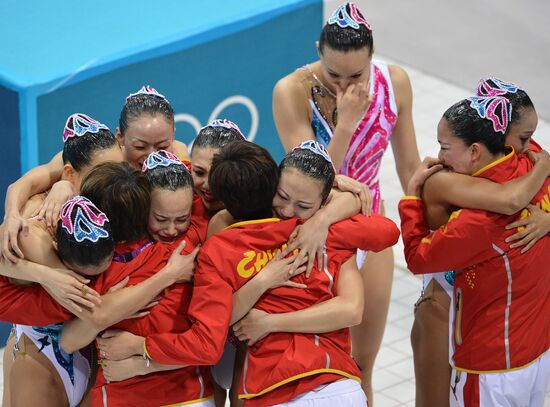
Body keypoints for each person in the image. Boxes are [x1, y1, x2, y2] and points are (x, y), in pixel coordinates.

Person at [94, 141, 399, 406]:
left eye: (303, 205)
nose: (290, 210)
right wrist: (327, 213)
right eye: (283, 197)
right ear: (270, 187)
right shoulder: (317, 229)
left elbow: (208, 341)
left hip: (273, 387)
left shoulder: (221, 246)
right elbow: (387, 231)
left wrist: (140, 354)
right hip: (334, 383)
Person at [272, 3, 420, 401]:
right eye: (333, 74)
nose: (343, 85)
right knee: (322, 369)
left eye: (356, 75)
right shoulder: (292, 91)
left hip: (370, 234)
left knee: (362, 367)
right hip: (317, 240)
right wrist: (347, 124)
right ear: (318, 49)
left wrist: (431, 228)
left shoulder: (395, 83)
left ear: (372, 58)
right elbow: (310, 183)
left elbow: (409, 168)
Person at [0, 161, 194, 407]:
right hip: (41, 353)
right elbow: (97, 313)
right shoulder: (35, 230)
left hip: (83, 355)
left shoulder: (115, 240)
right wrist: (43, 274)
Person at [400, 95, 550, 406]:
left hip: (490, 362)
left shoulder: (474, 217)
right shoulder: (532, 164)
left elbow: (417, 259)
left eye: (444, 146)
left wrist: (410, 198)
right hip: (537, 351)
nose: (437, 156)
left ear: (475, 150)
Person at [59, 150, 211, 406]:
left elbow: (208, 346)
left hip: (188, 394)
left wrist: (141, 358)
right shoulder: (103, 261)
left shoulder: (195, 242)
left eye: (181, 219)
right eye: (160, 218)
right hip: (118, 396)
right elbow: (68, 340)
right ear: (142, 208)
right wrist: (61, 186)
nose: (171, 229)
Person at [1, 86, 189, 262]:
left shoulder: (176, 157)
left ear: (173, 135)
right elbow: (26, 184)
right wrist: (13, 214)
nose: (152, 155)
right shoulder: (99, 157)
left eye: (162, 145)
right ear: (120, 138)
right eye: (140, 146)